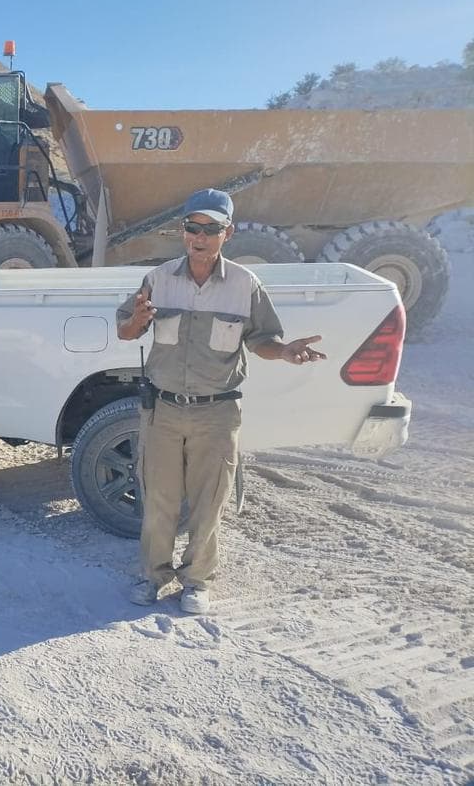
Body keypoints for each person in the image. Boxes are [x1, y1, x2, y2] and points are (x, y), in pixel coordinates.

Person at [116, 188, 326, 614]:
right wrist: (135, 322)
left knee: (209, 502)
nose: (200, 235)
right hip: (164, 410)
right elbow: (126, 329)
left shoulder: (246, 285)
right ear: (183, 231)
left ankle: (196, 581)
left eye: (211, 228)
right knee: (158, 499)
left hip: (217, 412)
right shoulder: (157, 279)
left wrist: (284, 351)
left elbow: (263, 339)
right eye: (193, 226)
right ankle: (152, 575)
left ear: (227, 233)